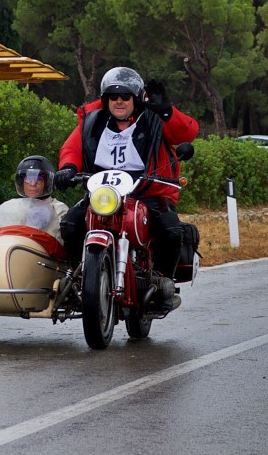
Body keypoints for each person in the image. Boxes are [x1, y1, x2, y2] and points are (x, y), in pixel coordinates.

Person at [53, 66, 198, 309]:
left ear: (136, 97)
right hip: (104, 191)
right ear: (105, 99)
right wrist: (68, 167)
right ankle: (78, 279)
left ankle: (163, 284)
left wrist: (166, 112)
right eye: (113, 96)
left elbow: (187, 133)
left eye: (125, 96)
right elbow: (72, 148)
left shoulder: (153, 117)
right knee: (70, 224)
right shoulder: (92, 120)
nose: (119, 101)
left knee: (171, 230)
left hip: (148, 189)